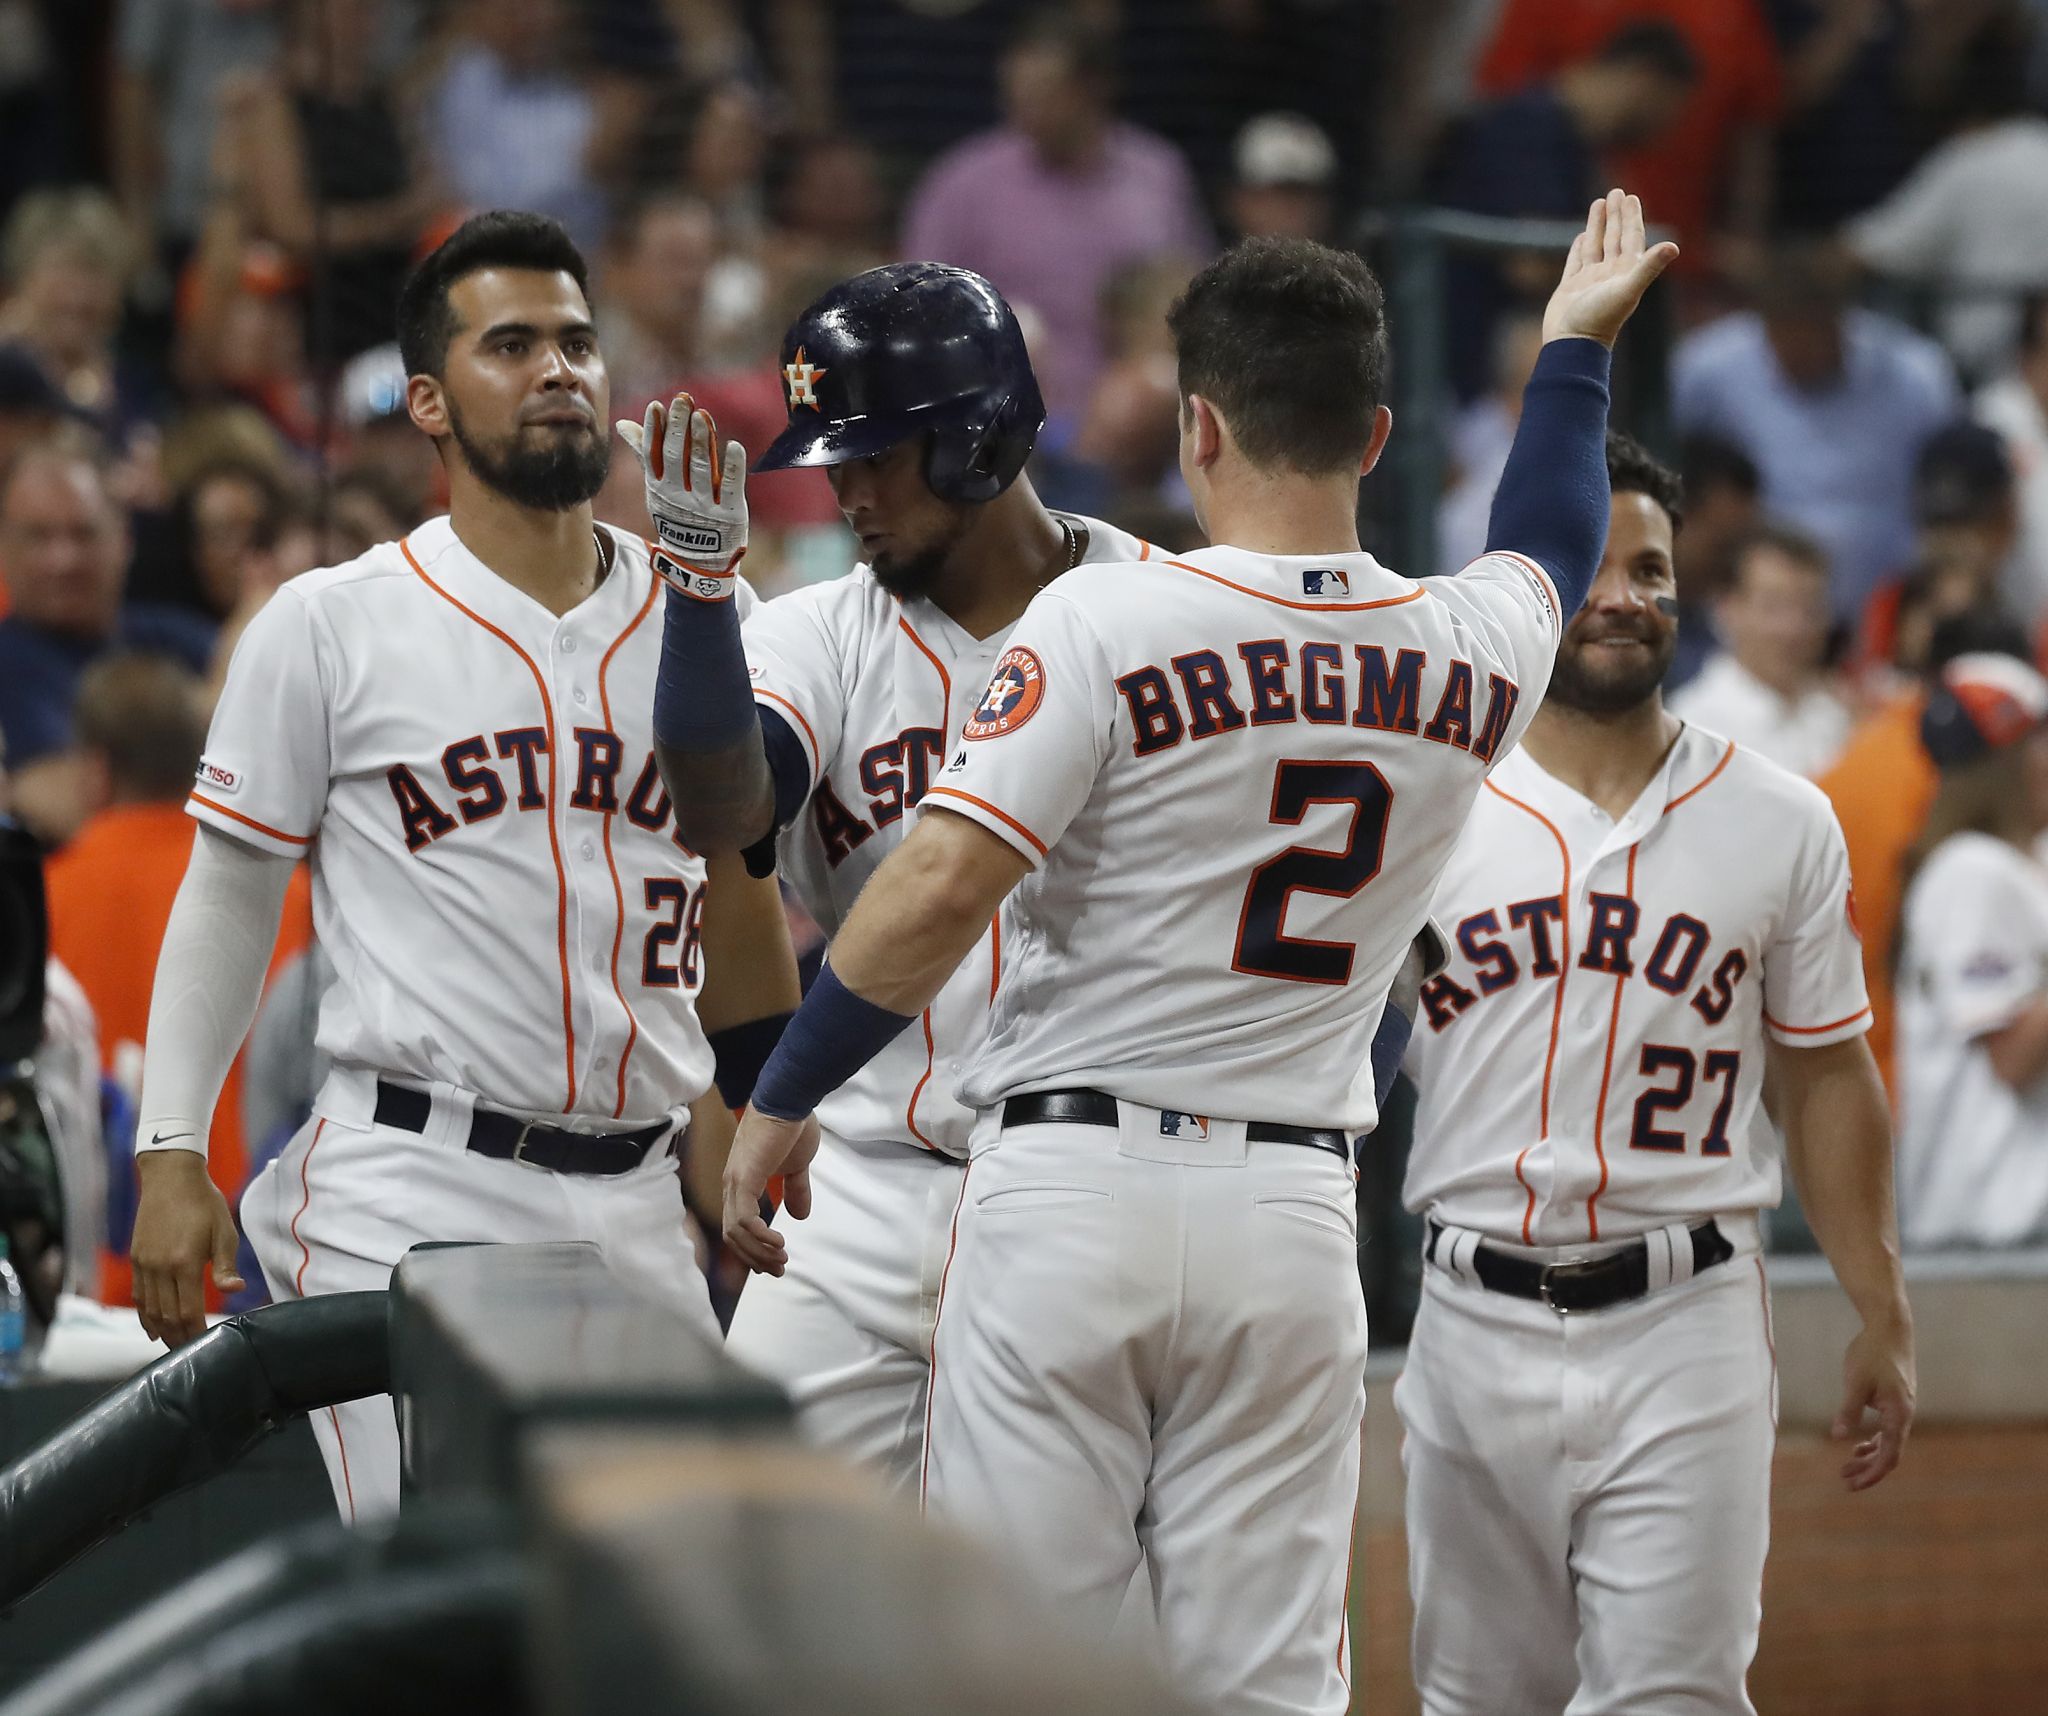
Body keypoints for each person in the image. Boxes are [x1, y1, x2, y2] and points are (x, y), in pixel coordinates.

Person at [717, 192, 1678, 1714]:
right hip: (1294, 1208)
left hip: (1066, 1193)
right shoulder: (1466, 643)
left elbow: (937, 885)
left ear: (1199, 430)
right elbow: (1551, 538)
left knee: (1022, 1671)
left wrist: (777, 1101)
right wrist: (1573, 352)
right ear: (1374, 436)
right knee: (1263, 1681)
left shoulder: (1103, 621)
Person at [126, 211, 800, 1522]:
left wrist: (754, 1087)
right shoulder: (331, 623)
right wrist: (168, 1151)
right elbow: (229, 891)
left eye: (576, 341)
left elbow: (736, 877)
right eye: (511, 344)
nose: (558, 369)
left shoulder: (707, 612)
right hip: (411, 1181)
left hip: (638, 1197)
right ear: (428, 402)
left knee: (647, 1619)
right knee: (455, 1610)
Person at [1396, 434, 1914, 1716]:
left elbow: (1826, 1072)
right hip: (1468, 1315)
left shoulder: (1780, 814)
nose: (1620, 594)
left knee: (1674, 1698)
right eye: (1589, 564)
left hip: (1684, 1315)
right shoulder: (1422, 800)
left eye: (1651, 567)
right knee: (1477, 1701)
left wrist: (1880, 1305)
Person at [621, 262, 1155, 1494]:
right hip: (853, 1191)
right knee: (748, 1584)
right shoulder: (824, 634)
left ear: (977, 436)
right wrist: (700, 600)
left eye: (877, 456)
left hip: (1086, 1191)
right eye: (833, 459)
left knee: (1045, 1630)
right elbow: (723, 810)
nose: (844, 490)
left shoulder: (1155, 612)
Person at [44, 652, 314, 1306]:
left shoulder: (41, 902)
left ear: (97, 770)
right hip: (258, 1275)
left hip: (98, 1290)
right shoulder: (298, 898)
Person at [901, 9, 1211, 423]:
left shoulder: (1157, 174)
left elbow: (1198, 295)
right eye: (1017, 92)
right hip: (1003, 412)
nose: (1027, 108)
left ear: (1095, 87)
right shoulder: (961, 183)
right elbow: (915, 309)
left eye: (1044, 92)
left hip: (1139, 417)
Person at [1672, 247, 1959, 622]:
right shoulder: (1707, 369)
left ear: (1840, 319)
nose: (1800, 348)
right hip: (1760, 609)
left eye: (1812, 331)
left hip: (1889, 608)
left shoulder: (1915, 374)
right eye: (1786, 333)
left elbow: (1952, 489)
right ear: (1764, 322)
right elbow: (1676, 474)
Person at [1894, 653, 2048, 1249]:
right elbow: (2011, 1055)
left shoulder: (2022, 865)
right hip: (1985, 1222)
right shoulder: (1971, 872)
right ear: (2008, 761)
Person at [0, 441, 216, 847]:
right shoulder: (8, 665)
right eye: (37, 537)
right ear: (3, 547)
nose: (63, 559)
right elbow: (65, 808)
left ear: (124, 539)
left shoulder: (180, 637)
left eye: (83, 533)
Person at [1670, 524, 1852, 778]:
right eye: (1773, 606)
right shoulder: (1694, 727)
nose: (1793, 627)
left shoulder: (1836, 716)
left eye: (1810, 607)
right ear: (1727, 609)